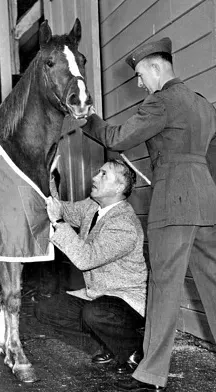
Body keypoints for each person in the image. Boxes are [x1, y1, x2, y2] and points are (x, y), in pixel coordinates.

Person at [81, 37, 216, 391]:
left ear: (156, 68)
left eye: (141, 75)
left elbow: (118, 137)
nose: (140, 84)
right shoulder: (202, 104)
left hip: (173, 202)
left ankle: (151, 374)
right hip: (206, 201)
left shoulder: (163, 101)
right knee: (215, 287)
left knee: (163, 289)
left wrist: (87, 119)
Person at [37, 158, 147, 374]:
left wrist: (58, 224)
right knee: (45, 310)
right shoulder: (93, 207)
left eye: (103, 174)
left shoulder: (123, 224)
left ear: (119, 187)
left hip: (125, 302)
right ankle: (107, 345)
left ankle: (135, 350)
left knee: (96, 314)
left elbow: (86, 259)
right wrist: (50, 175)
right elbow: (61, 210)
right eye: (98, 172)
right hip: (96, 296)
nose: (94, 177)